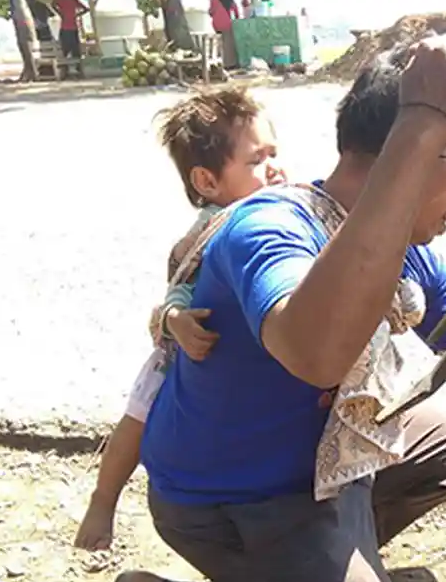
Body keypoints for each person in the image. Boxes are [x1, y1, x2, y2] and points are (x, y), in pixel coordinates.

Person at [86, 13, 446, 582]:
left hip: (322, 461)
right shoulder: (270, 226)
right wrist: (423, 123)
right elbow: (311, 348)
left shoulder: (401, 240)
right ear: (413, 152)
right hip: (237, 503)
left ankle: (317, 578)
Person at [73, 84, 286, 551]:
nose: (275, 168)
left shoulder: (281, 216)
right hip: (179, 356)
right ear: (207, 183)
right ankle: (104, 499)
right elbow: (175, 297)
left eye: (274, 153)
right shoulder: (207, 233)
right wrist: (176, 322)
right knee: (138, 414)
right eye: (256, 161)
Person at [52, 0, 88, 77]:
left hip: (65, 28)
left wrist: (60, 13)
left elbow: (53, 5)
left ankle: (66, 70)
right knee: (74, 50)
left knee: (65, 50)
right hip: (73, 28)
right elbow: (86, 9)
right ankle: (77, 70)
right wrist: (76, 15)